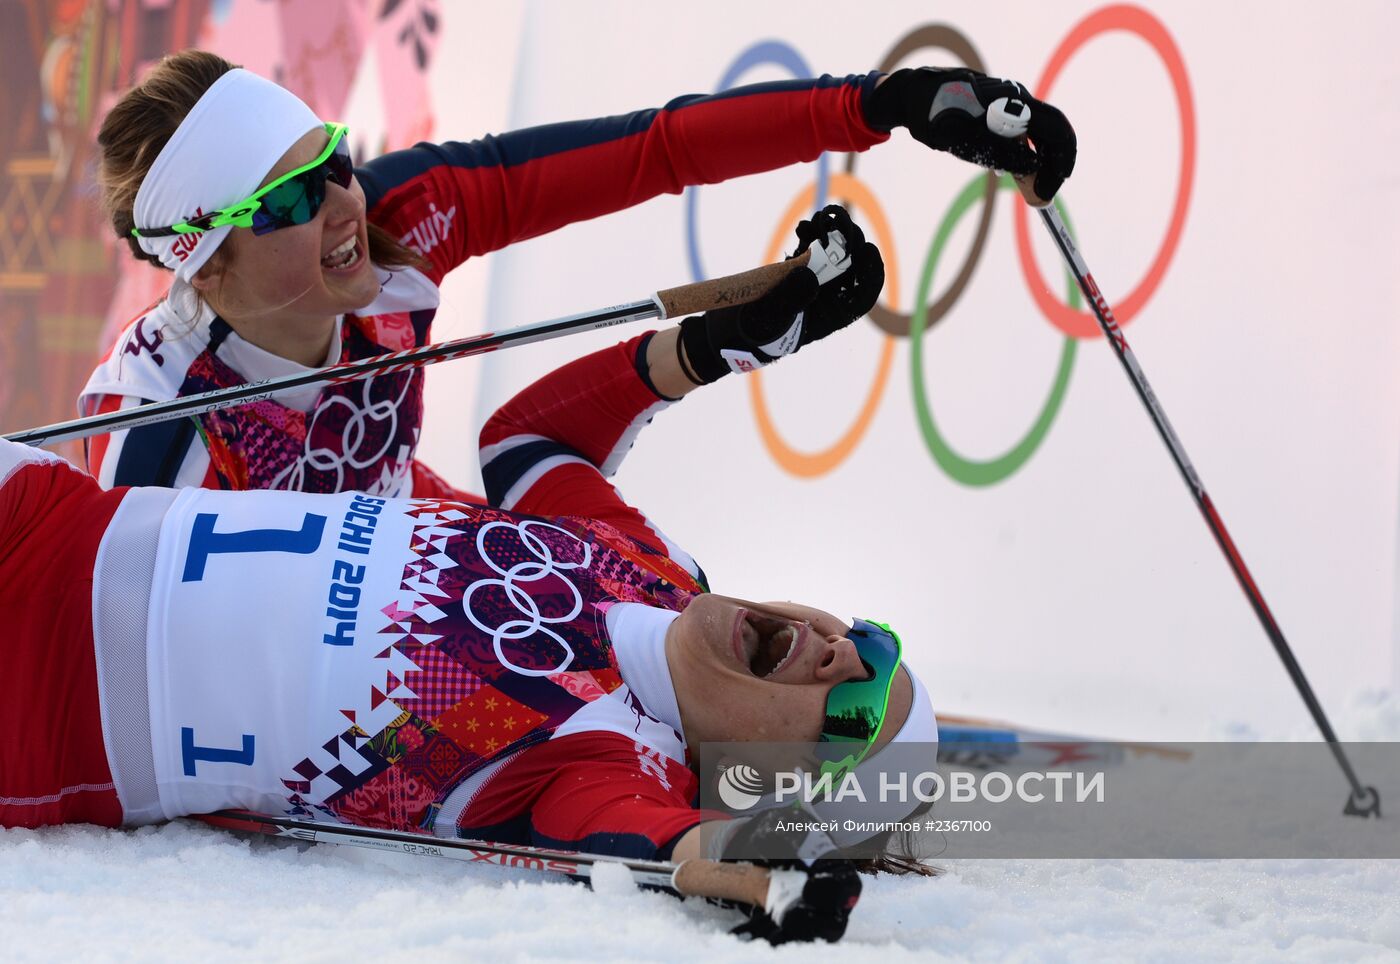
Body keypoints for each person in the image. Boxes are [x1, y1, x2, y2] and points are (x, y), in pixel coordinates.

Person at [4, 211, 932, 944]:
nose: (837, 653)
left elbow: (674, 848)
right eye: (870, 642)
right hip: (55, 516)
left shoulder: (612, 759)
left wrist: (771, 869)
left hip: (42, 710)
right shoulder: (657, 573)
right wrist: (715, 345)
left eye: (852, 708)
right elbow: (530, 444)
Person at [78, 49, 1075, 500]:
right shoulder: (153, 431)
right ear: (203, 264)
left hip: (409, 547)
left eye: (333, 154)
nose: (344, 201)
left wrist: (880, 104)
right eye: (293, 199)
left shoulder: (395, 222)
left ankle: (711, 346)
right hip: (311, 658)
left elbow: (655, 151)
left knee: (597, 563)